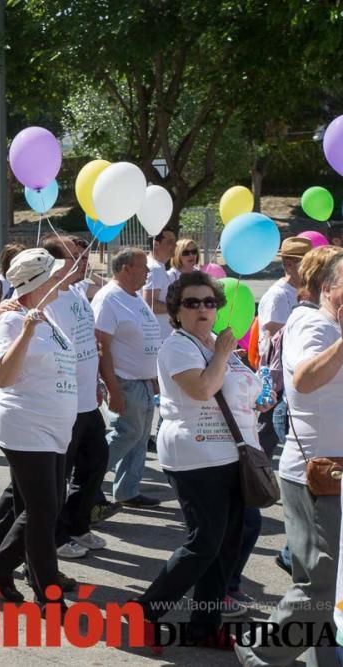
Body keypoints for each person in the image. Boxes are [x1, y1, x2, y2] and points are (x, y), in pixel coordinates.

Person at [134, 271, 267, 649]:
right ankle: (143, 611)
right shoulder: (179, 346)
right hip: (195, 456)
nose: (203, 309)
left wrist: (258, 397)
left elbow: (238, 387)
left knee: (228, 542)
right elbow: (203, 389)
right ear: (176, 311)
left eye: (209, 302)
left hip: (232, 454)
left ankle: (203, 627)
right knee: (204, 543)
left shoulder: (213, 343)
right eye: (192, 303)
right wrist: (225, 352)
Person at [236, 251, 343, 666]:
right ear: (328, 287)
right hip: (317, 473)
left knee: (326, 584)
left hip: (330, 472)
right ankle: (259, 651)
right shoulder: (310, 322)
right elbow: (305, 379)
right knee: (320, 583)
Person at [0, 247, 75, 606]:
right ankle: (47, 595)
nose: (61, 280)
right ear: (39, 281)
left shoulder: (45, 315)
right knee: (43, 511)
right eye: (55, 275)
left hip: (52, 427)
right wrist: (27, 332)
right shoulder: (13, 320)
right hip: (25, 425)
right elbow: (1, 375)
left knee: (44, 508)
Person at [42, 238, 111, 559]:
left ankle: (77, 525)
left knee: (96, 462)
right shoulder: (48, 297)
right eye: (74, 255)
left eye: (82, 255)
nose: (83, 259)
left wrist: (97, 382)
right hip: (62, 404)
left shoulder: (77, 291)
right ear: (57, 263)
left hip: (87, 400)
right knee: (57, 476)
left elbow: (88, 344)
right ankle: (53, 537)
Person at [91, 248, 162, 508]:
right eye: (143, 268)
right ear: (126, 269)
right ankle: (87, 478)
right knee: (126, 434)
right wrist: (113, 389)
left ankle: (127, 490)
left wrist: (152, 375)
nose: (147, 273)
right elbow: (101, 346)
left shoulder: (133, 297)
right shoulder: (109, 298)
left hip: (141, 381)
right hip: (123, 381)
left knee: (139, 436)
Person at [256, 236, 311, 455]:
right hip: (278, 375)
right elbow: (272, 336)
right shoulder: (279, 295)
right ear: (288, 263)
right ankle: (253, 475)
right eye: (305, 261)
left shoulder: (301, 292)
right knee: (266, 432)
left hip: (293, 369)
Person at [143, 228, 176, 340]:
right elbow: (149, 304)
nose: (175, 245)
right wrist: (178, 308)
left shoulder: (156, 266)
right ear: (156, 244)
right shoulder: (154, 268)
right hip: (157, 337)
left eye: (175, 241)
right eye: (170, 242)